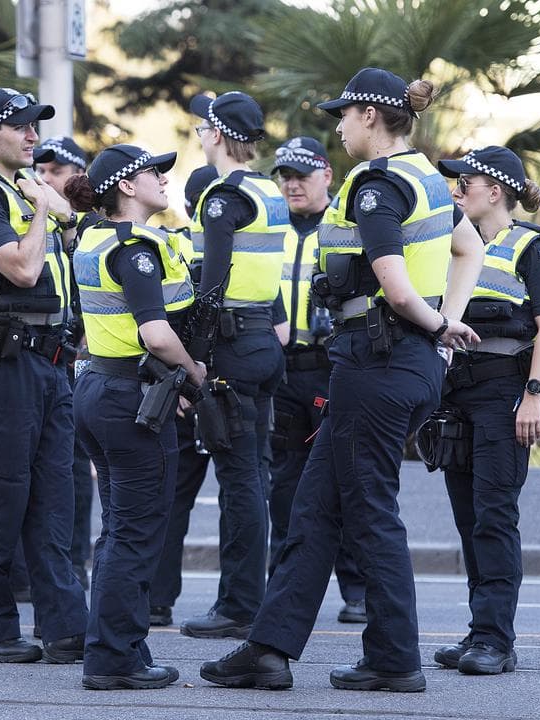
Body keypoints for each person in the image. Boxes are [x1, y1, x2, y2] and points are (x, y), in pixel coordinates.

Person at [200, 67, 483, 692]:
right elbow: (470, 250)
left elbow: (393, 283)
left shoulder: (379, 184)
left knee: (370, 511)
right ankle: (269, 649)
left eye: (345, 116)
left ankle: (394, 659)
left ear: (370, 116)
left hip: (379, 362)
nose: (341, 127)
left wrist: (439, 326)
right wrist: (441, 329)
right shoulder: (427, 178)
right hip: (398, 361)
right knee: (315, 508)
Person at [0, 87, 87, 664]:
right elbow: (23, 270)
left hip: (51, 358)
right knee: (3, 495)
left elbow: (70, 251)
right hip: (6, 363)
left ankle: (64, 626)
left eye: (35, 125)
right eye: (21, 126)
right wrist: (45, 210)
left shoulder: (23, 189)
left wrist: (56, 212)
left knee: (55, 496)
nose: (33, 136)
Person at [63, 144, 206, 690]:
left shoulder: (94, 238)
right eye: (153, 173)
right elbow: (155, 333)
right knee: (136, 532)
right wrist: (196, 375)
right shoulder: (134, 248)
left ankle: (119, 645)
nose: (163, 180)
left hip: (100, 388)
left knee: (120, 529)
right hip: (131, 398)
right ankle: (113, 658)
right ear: (126, 186)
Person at [432, 146, 540, 675]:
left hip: (503, 391)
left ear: (496, 190)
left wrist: (533, 394)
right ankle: (478, 632)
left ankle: (495, 640)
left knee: (493, 516)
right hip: (456, 394)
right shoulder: (451, 245)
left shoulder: (531, 247)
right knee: (468, 520)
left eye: (465, 181)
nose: (457, 189)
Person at [175, 90, 287, 640]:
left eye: (202, 128)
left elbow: (211, 286)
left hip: (231, 347)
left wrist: (192, 360)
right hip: (262, 338)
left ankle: (239, 605)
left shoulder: (223, 197)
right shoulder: (267, 189)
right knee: (253, 474)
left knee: (239, 479)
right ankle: (246, 598)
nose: (199, 136)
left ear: (216, 135)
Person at [268, 136, 367, 624]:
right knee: (284, 484)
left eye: (301, 176)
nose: (292, 185)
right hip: (282, 370)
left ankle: (358, 591)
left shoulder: (344, 224)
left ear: (326, 174)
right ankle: (278, 590)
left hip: (332, 367)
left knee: (347, 477)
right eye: (285, 176)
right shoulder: (269, 227)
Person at [148, 163, 218, 627]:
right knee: (247, 492)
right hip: (222, 381)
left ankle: (157, 599)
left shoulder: (170, 246)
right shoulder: (237, 252)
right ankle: (242, 602)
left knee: (170, 497)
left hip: (178, 385)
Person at [34, 134, 94, 589]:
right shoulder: (36, 219)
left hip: (81, 353)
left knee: (72, 463)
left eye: (55, 171)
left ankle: (74, 560)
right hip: (45, 352)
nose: (45, 178)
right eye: (40, 170)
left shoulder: (90, 225)